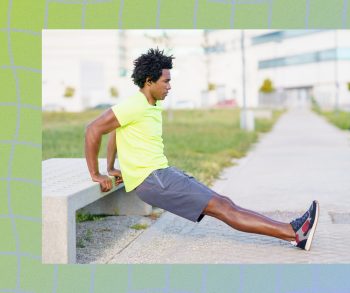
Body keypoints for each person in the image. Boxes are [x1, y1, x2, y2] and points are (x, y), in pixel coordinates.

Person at [85, 48, 319, 251]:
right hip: (154, 180)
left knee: (224, 203)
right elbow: (93, 129)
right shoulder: (134, 105)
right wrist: (97, 173)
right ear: (149, 81)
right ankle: (294, 233)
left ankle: (293, 230)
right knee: (224, 209)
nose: (169, 86)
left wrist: (111, 167)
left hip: (160, 174)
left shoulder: (147, 105)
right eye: (165, 81)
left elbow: (115, 130)